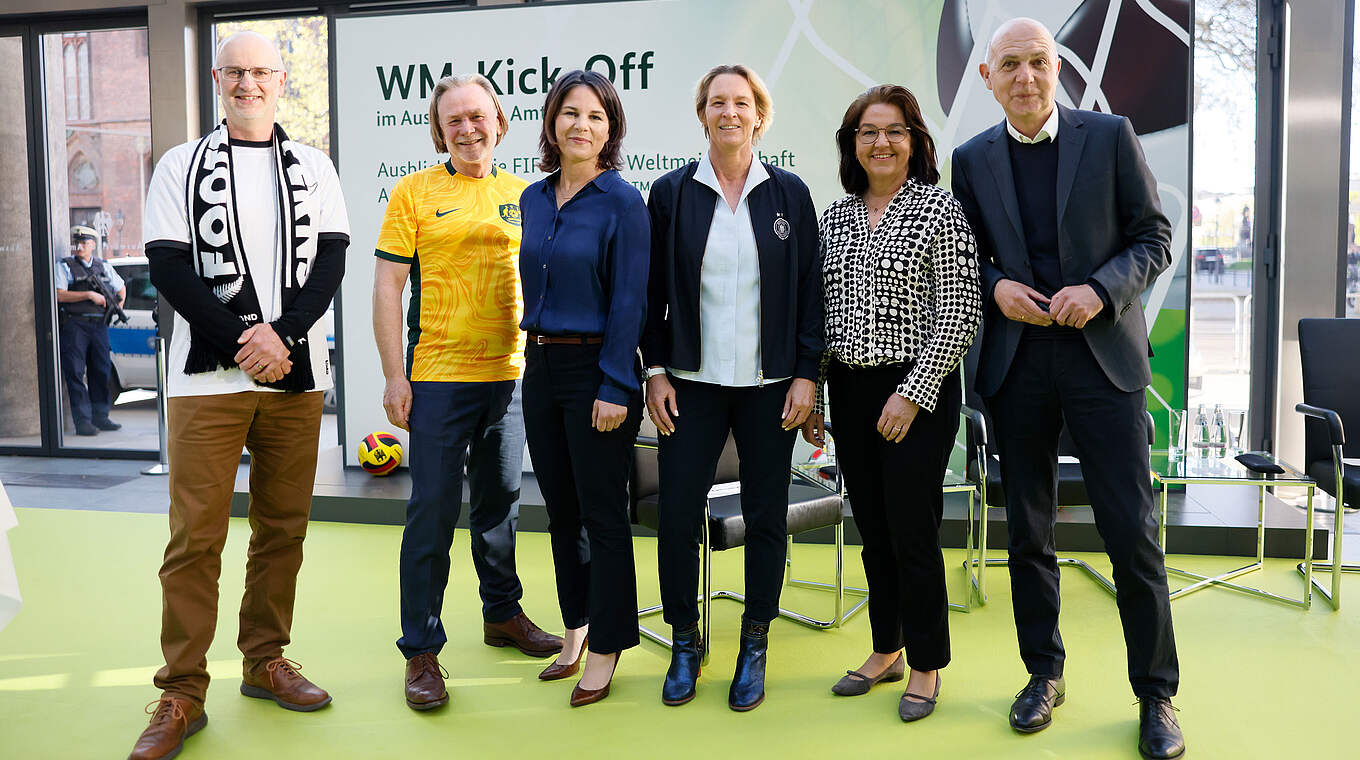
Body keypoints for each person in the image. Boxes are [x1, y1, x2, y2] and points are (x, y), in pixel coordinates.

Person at [950, 18, 1184, 759]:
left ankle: (1156, 695)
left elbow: (1154, 238)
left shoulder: (1110, 135)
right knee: (1028, 534)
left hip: (1103, 362)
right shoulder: (970, 159)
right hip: (1018, 367)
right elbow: (967, 256)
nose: (1025, 76)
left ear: (1060, 70)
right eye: (1010, 64)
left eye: (1039, 62)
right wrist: (996, 289)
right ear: (987, 78)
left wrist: (1101, 290)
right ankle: (1043, 673)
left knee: (1133, 534)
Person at [130, 31, 349, 760]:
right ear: (218, 77)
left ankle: (264, 662)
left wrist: (279, 337)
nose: (248, 82)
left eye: (262, 71)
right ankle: (181, 693)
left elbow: (331, 262)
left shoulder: (314, 165)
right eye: (236, 71)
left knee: (282, 528)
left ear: (282, 80)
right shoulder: (180, 164)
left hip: (295, 377)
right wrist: (245, 339)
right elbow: (168, 266)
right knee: (196, 538)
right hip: (204, 381)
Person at [373, 72, 563, 713]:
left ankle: (501, 615)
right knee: (430, 510)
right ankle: (421, 650)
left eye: (478, 116)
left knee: (500, 505)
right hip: (436, 378)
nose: (467, 128)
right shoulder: (413, 193)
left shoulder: (531, 196)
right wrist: (394, 375)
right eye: (454, 119)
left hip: (510, 376)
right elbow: (386, 289)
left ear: (500, 122)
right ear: (438, 130)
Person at [643, 64, 822, 712]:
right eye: (717, 102)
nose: (729, 112)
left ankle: (754, 641)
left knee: (766, 516)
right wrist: (655, 369)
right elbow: (650, 293)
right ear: (702, 114)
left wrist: (807, 376)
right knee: (677, 515)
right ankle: (685, 642)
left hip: (771, 387)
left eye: (741, 102)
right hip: (690, 386)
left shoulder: (790, 195)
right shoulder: (669, 194)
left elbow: (810, 295)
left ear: (759, 114)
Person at [803, 84, 980, 722]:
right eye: (869, 132)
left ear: (915, 142)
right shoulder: (837, 216)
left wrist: (913, 394)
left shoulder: (938, 210)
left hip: (917, 388)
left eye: (895, 131)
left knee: (911, 530)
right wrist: (819, 394)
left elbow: (959, 313)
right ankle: (887, 649)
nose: (881, 142)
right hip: (851, 389)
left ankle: (928, 664)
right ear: (853, 145)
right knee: (872, 528)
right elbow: (820, 315)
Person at [518, 70, 650, 707]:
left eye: (595, 116)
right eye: (570, 113)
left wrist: (617, 385)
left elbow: (630, 303)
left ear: (611, 129)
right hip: (539, 369)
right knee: (559, 513)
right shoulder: (534, 199)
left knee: (602, 517)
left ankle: (608, 646)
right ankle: (576, 629)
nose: (580, 126)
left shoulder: (623, 202)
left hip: (598, 371)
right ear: (551, 122)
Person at [55, 225, 126, 436]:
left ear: (93, 245)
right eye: (76, 243)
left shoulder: (103, 266)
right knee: (76, 372)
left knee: (101, 370)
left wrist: (117, 308)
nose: (79, 247)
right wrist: (88, 295)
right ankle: (83, 421)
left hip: (99, 325)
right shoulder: (65, 266)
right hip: (75, 324)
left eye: (84, 243)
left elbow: (121, 287)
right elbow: (59, 294)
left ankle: (101, 416)